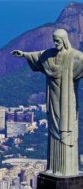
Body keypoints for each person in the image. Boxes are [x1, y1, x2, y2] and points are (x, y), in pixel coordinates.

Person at [12, 29, 83, 176]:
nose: (56, 43)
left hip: (67, 101)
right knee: (53, 132)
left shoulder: (73, 56)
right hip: (53, 100)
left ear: (64, 40)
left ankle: (67, 169)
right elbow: (37, 56)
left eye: (58, 40)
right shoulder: (49, 55)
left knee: (66, 129)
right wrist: (24, 55)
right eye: (54, 40)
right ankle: (54, 168)